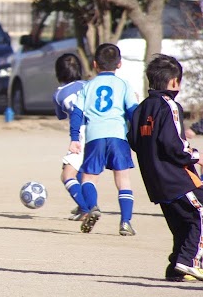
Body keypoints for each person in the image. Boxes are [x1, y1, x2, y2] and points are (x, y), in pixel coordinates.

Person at [128, 54, 203, 281]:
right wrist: (196, 156)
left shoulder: (141, 108)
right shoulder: (169, 106)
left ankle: (176, 268)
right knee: (200, 212)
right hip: (176, 177)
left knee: (182, 224)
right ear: (173, 82)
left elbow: (133, 139)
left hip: (155, 180)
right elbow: (174, 144)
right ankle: (190, 261)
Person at [69, 43, 139, 236]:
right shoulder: (124, 84)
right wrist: (139, 134)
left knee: (88, 178)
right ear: (119, 64)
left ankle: (92, 206)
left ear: (94, 64)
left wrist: (74, 137)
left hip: (95, 136)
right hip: (118, 136)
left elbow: (77, 113)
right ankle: (125, 222)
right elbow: (133, 112)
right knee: (123, 179)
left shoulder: (88, 86)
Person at [52, 53, 89, 220]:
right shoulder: (90, 85)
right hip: (99, 131)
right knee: (81, 170)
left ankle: (85, 207)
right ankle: (85, 204)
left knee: (67, 174)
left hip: (80, 134)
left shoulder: (59, 94)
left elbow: (61, 116)